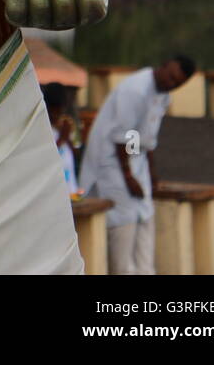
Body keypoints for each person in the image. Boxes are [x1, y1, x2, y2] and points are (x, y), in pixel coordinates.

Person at [79, 55, 196, 275]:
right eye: (170, 77)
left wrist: (150, 173)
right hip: (111, 163)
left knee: (145, 218)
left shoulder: (163, 96)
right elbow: (123, 138)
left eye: (177, 83)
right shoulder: (135, 91)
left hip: (134, 160)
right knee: (124, 224)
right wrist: (129, 176)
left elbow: (146, 138)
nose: (171, 84)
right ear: (163, 66)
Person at [42, 82, 82, 195]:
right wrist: (62, 138)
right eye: (53, 111)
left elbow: (77, 152)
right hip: (52, 187)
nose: (56, 114)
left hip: (70, 186)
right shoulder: (43, 126)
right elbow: (46, 156)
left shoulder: (67, 123)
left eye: (59, 110)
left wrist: (67, 137)